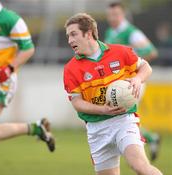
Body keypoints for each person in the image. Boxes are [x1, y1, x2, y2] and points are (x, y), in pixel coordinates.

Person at [63, 13, 163, 175]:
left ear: (88, 33)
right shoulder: (71, 69)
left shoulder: (120, 52)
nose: (70, 40)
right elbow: (77, 103)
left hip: (124, 120)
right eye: (68, 36)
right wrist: (103, 109)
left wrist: (137, 79)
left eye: (74, 34)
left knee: (139, 166)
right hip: (97, 130)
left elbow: (146, 68)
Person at [0, 0, 55, 152]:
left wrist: (9, 69)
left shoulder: (10, 19)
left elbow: (28, 48)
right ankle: (36, 128)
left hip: (1, 82)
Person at [104, 2, 160, 161]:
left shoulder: (131, 32)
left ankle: (138, 158)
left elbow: (151, 52)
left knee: (124, 120)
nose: (112, 18)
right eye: (109, 15)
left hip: (133, 83)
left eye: (115, 14)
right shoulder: (110, 31)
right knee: (122, 120)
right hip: (118, 84)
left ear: (123, 15)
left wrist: (131, 53)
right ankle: (150, 139)